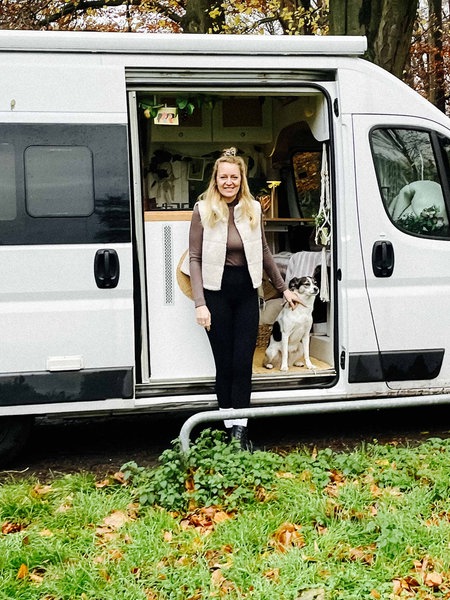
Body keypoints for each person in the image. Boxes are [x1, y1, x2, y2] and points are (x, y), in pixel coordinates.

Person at [188, 148, 299, 449]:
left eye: (233, 177)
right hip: (215, 294)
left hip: (247, 293)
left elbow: (263, 251)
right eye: (223, 177)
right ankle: (228, 428)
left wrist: (283, 287)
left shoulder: (253, 208)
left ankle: (241, 431)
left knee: (242, 364)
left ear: (241, 179)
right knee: (224, 365)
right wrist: (200, 303)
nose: (228, 182)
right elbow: (195, 258)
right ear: (216, 179)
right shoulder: (203, 210)